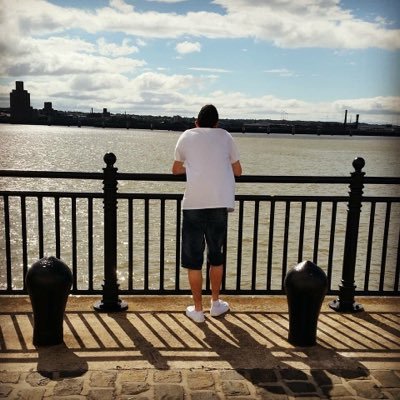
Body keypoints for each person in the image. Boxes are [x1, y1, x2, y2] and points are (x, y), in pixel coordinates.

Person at [172, 104, 242, 323]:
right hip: (219, 203)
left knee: (194, 260)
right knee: (216, 256)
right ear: (216, 123)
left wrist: (193, 169)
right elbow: (238, 171)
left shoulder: (186, 136)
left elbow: (175, 169)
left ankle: (198, 310)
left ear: (197, 122)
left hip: (193, 204)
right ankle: (215, 303)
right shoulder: (226, 136)